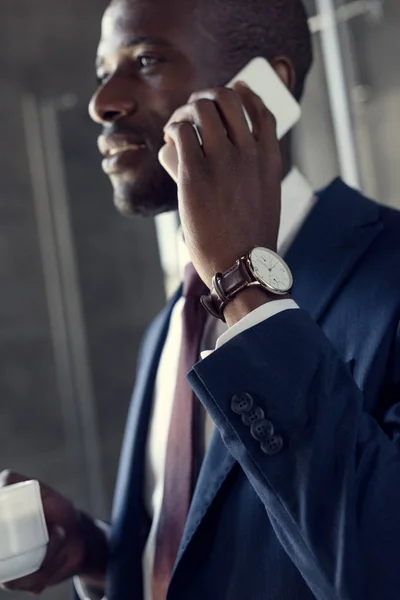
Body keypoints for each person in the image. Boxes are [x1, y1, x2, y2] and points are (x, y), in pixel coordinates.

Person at [2, 0, 400, 597]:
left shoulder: (388, 273)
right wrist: (99, 554)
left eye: (146, 60)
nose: (101, 101)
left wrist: (244, 280)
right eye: (101, 71)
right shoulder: (169, 328)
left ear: (264, 89)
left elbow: (379, 568)